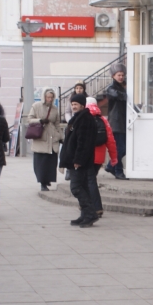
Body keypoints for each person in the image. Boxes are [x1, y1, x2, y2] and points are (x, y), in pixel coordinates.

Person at [58, 92, 99, 227]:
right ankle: (86, 214)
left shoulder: (85, 120)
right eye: (72, 104)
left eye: (76, 104)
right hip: (74, 159)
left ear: (82, 105)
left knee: (76, 188)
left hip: (79, 161)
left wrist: (78, 160)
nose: (73, 107)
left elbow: (84, 143)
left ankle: (90, 213)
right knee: (83, 187)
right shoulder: (77, 118)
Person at [86, 101, 118, 217]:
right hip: (99, 158)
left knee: (89, 181)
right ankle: (88, 204)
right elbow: (111, 140)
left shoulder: (84, 118)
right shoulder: (103, 120)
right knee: (90, 179)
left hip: (87, 156)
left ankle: (96, 207)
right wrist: (113, 157)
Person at [29, 88, 63, 191]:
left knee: (51, 162)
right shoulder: (36, 106)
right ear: (44, 97)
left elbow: (57, 123)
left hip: (52, 138)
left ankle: (48, 180)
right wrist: (40, 120)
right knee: (41, 163)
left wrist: (60, 136)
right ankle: (42, 182)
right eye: (48, 97)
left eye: (52, 97)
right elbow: (30, 119)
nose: (50, 99)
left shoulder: (55, 108)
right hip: (41, 137)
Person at [97, 64, 127, 179]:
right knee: (121, 148)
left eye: (122, 75)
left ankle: (117, 170)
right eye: (119, 75)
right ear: (113, 76)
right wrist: (125, 93)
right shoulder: (111, 88)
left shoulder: (121, 87)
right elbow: (120, 96)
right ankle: (112, 167)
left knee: (121, 148)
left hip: (122, 122)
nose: (121, 77)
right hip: (116, 122)